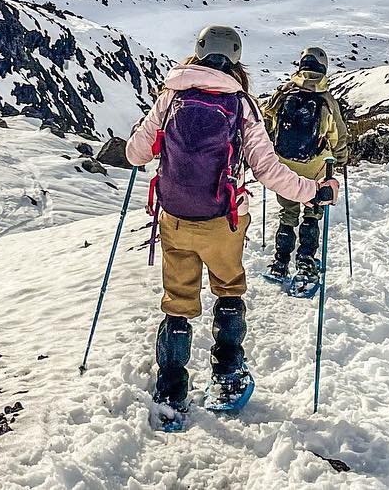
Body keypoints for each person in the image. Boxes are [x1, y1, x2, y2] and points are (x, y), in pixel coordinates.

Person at [126, 25, 339, 421]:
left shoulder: (171, 95)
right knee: (228, 292)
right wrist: (313, 191)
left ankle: (171, 391)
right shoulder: (241, 105)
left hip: (174, 218)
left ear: (199, 51)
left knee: (178, 303)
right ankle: (227, 375)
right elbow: (268, 170)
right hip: (224, 219)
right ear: (236, 59)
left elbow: (135, 153)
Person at [261, 46, 349, 287]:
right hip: (315, 167)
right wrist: (340, 159)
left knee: (288, 212)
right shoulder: (326, 99)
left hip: (284, 166)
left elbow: (267, 122)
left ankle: (280, 263)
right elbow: (337, 138)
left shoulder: (283, 92)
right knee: (312, 211)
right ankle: (305, 263)